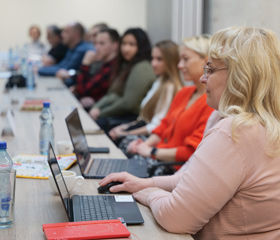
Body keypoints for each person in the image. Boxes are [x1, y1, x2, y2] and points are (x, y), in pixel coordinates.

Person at [99, 26, 280, 239]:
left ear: (239, 77)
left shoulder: (235, 131)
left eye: (210, 70)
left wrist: (150, 194)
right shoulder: (252, 122)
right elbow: (190, 176)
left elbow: (175, 218)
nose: (204, 79)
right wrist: (145, 183)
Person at [123, 35, 214, 175]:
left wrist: (152, 151)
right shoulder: (184, 92)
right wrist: (144, 146)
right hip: (160, 157)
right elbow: (163, 127)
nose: (180, 65)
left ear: (206, 61)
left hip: (175, 168)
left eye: (186, 59)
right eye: (180, 60)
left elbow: (191, 150)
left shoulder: (211, 102)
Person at [109, 40, 182, 143]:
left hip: (150, 137)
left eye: (159, 59)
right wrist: (123, 127)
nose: (153, 63)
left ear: (171, 61)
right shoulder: (159, 81)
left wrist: (126, 133)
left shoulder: (169, 87)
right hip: (142, 127)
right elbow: (143, 119)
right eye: (152, 58)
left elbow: (156, 126)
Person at [89, 28, 155, 132]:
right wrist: (96, 107)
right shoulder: (126, 65)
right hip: (121, 115)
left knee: (95, 125)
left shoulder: (142, 67)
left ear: (141, 46)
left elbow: (128, 103)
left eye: (132, 44)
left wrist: (101, 112)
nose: (126, 49)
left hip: (132, 118)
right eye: (124, 44)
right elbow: (113, 94)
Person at [73, 28, 119, 109]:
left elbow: (84, 91)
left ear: (115, 45)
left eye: (102, 43)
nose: (97, 47)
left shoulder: (114, 67)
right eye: (95, 43)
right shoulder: (102, 63)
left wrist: (85, 64)